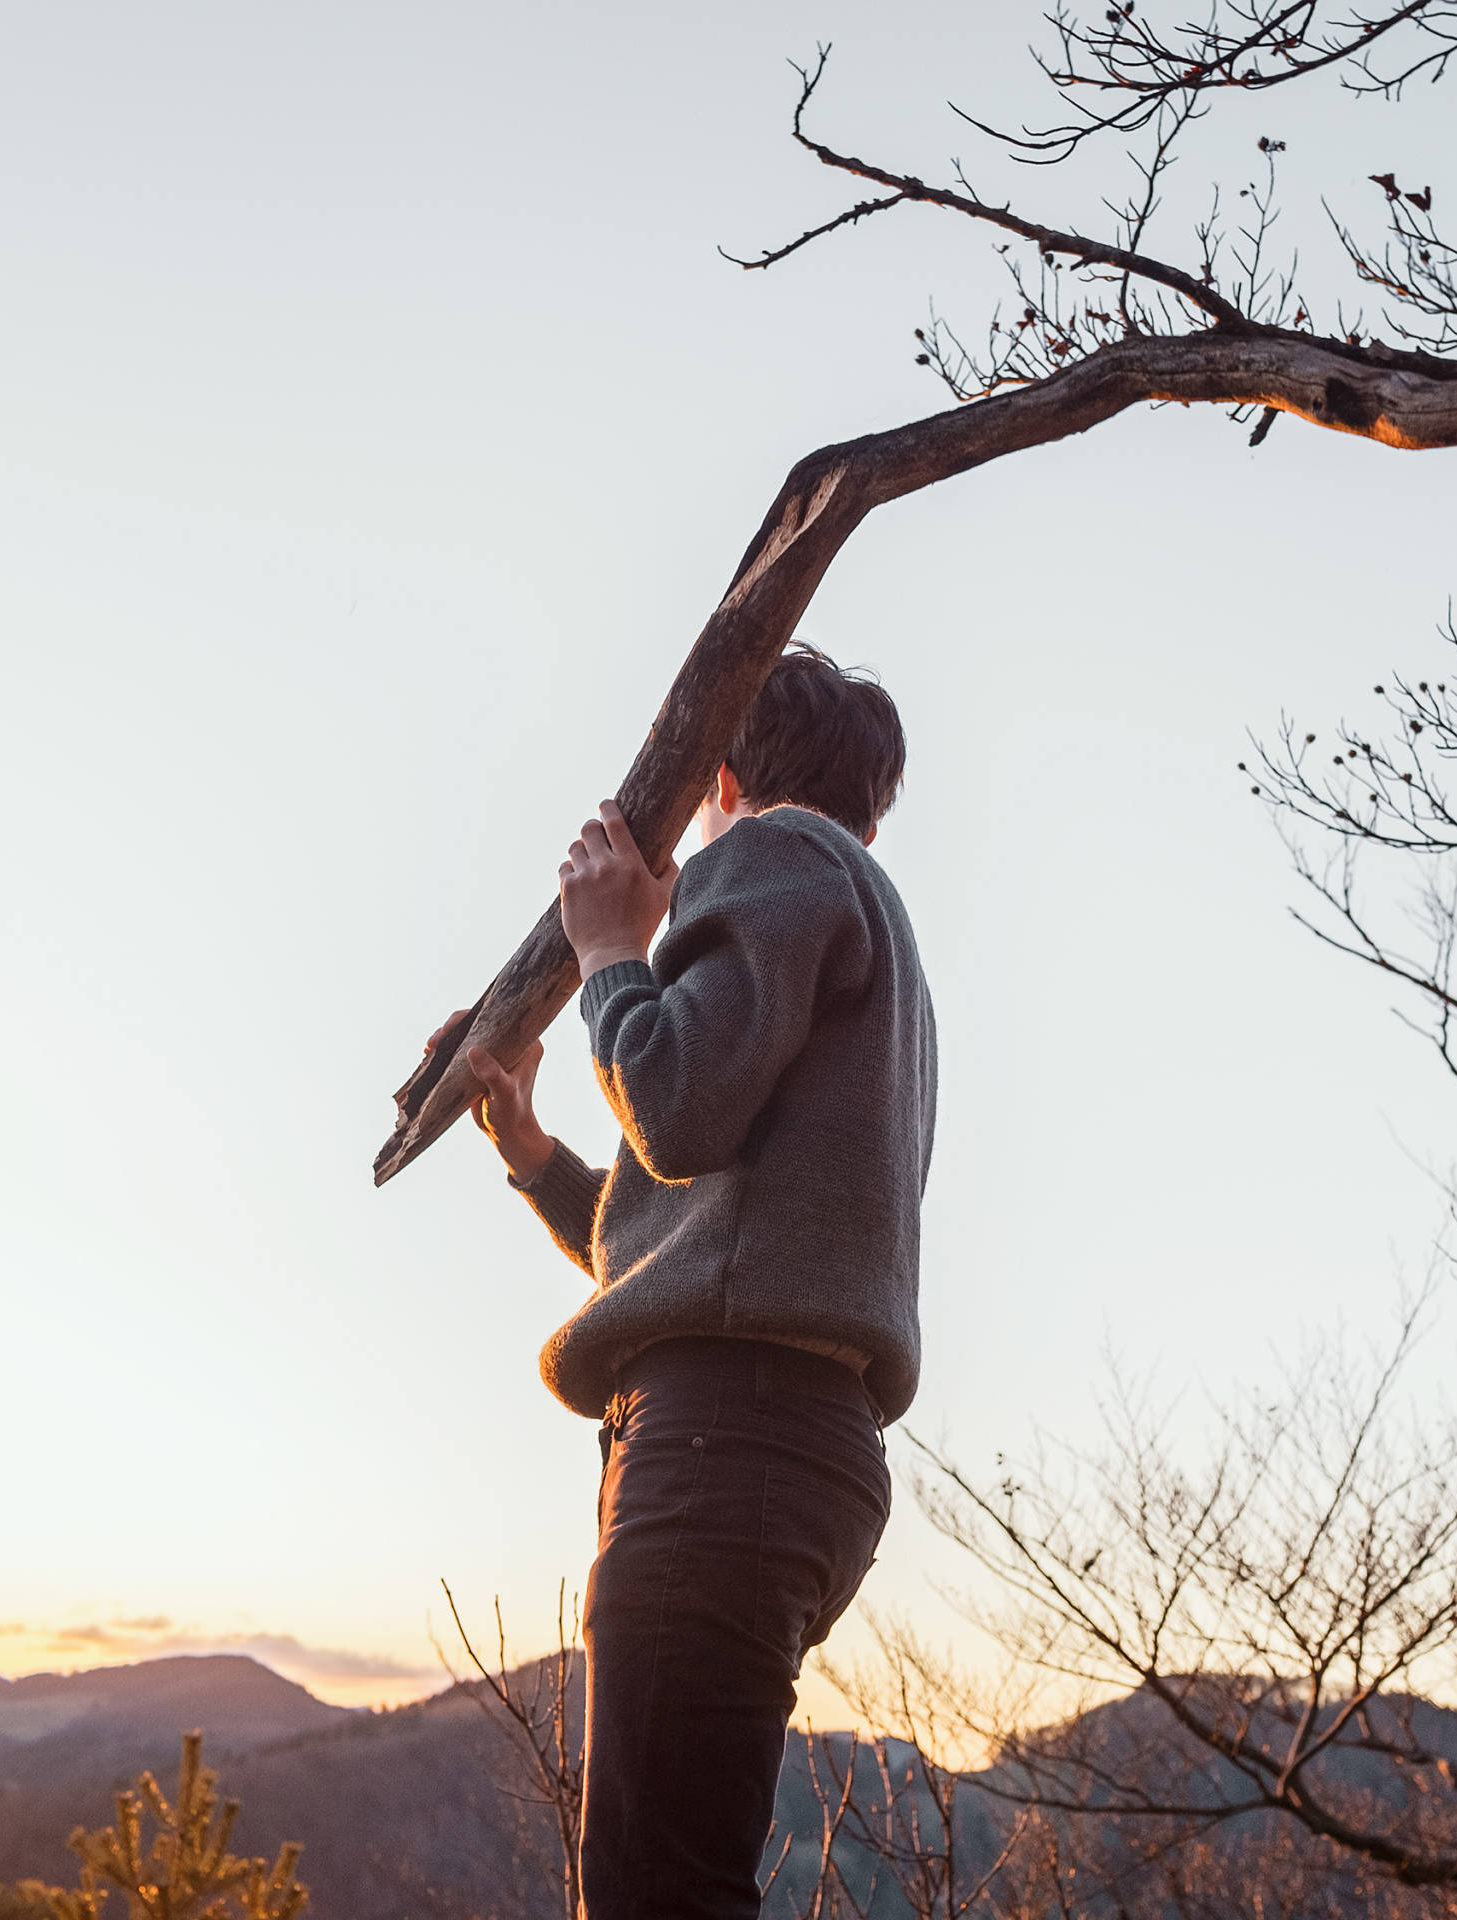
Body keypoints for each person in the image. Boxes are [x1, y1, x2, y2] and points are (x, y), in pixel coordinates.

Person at [439, 645, 937, 1919]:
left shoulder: (775, 859)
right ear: (874, 796)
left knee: (657, 1895)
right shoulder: (864, 922)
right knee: (679, 1879)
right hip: (790, 1447)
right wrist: (538, 1157)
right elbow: (699, 1240)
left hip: (726, 1443)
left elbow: (673, 1105)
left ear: (717, 773)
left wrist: (611, 951)